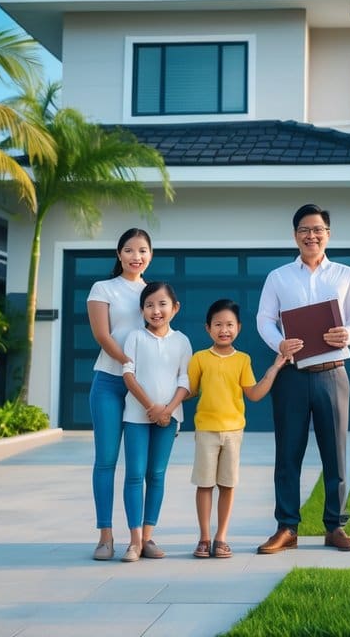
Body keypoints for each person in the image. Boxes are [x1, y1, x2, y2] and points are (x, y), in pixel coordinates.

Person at [255, 203, 350, 553]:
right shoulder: (278, 277)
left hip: (332, 375)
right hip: (291, 375)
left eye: (318, 229)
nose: (311, 235)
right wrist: (280, 343)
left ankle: (335, 527)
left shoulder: (346, 275)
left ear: (328, 234)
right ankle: (287, 528)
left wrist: (348, 334)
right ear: (295, 235)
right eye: (305, 230)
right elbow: (263, 319)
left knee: (335, 453)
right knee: (287, 453)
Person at [187, 298, 289, 559]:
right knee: (205, 485)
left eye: (229, 324)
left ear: (239, 328)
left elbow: (254, 394)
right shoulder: (199, 358)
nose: (224, 329)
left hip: (233, 432)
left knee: (227, 485)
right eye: (218, 324)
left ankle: (221, 538)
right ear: (208, 328)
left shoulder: (243, 360)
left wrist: (275, 368)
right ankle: (204, 538)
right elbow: (188, 390)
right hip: (206, 431)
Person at [86, 228, 153, 561]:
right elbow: (102, 335)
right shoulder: (103, 288)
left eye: (142, 250)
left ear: (150, 255)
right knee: (106, 461)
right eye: (128, 250)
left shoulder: (153, 291)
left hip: (141, 391)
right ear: (118, 254)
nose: (135, 256)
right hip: (111, 385)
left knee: (137, 468)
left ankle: (137, 540)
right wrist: (130, 364)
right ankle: (105, 536)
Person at [118, 281, 192, 563]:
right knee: (135, 474)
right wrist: (151, 406)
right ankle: (135, 541)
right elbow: (128, 373)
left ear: (175, 308)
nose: (156, 310)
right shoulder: (135, 338)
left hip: (169, 419)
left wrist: (168, 410)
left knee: (157, 475)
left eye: (162, 304)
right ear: (142, 310)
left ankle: (148, 537)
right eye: (149, 305)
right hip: (136, 416)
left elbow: (184, 379)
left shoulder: (182, 341)